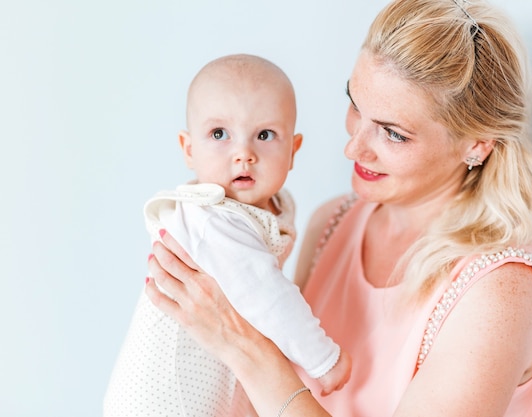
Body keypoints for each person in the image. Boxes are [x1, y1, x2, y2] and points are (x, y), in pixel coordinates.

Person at [145, 0, 532, 416]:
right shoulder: (332, 222)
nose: (353, 147)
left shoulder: (502, 290)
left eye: (393, 134)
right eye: (355, 105)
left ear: (477, 143)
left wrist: (242, 347)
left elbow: (265, 372)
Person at [104, 54, 351, 417]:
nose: (244, 154)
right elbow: (269, 298)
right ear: (189, 149)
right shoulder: (212, 219)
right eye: (220, 134)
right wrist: (324, 359)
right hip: (166, 400)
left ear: (293, 150)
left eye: (264, 135)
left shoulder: (266, 207)